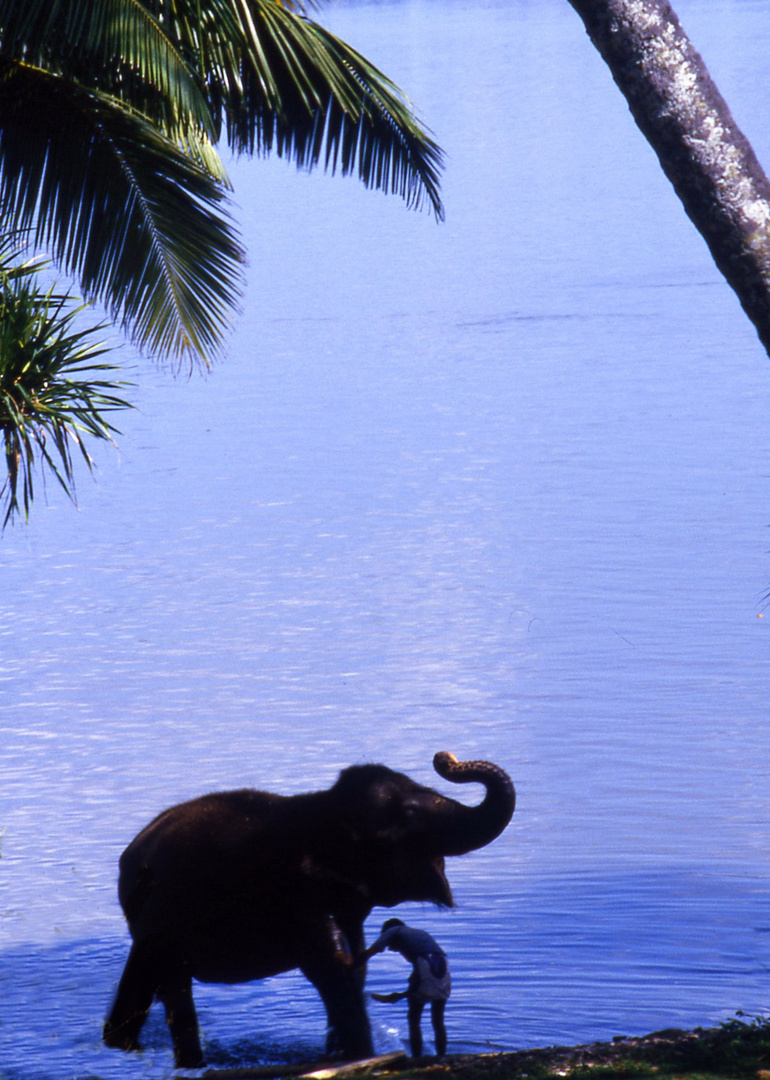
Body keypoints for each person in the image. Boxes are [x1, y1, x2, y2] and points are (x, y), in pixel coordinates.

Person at [359, 918, 451, 1057]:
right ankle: (442, 1057)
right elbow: (418, 979)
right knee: (437, 1019)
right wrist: (401, 995)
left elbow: (373, 950)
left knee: (414, 1017)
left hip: (427, 964)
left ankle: (416, 1058)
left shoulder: (393, 930)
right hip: (443, 966)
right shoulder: (419, 934)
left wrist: (352, 963)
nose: (391, 948)